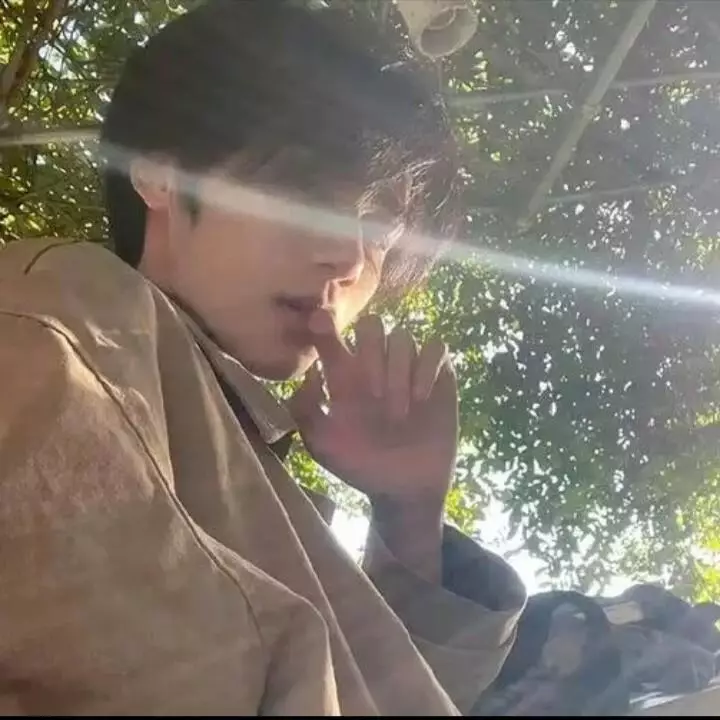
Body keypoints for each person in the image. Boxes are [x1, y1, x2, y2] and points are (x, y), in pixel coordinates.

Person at [0, 0, 525, 714]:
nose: (349, 258)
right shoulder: (69, 314)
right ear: (159, 174)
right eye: (305, 190)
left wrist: (409, 517)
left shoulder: (215, 432)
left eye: (380, 231)